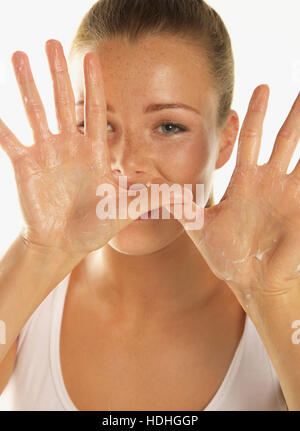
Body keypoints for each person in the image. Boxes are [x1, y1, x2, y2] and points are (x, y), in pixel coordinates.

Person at [0, 0, 299, 411]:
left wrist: (272, 296)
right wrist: (38, 252)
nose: (128, 163)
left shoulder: (283, 307)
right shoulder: (24, 303)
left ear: (225, 139)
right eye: (97, 124)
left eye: (169, 127)